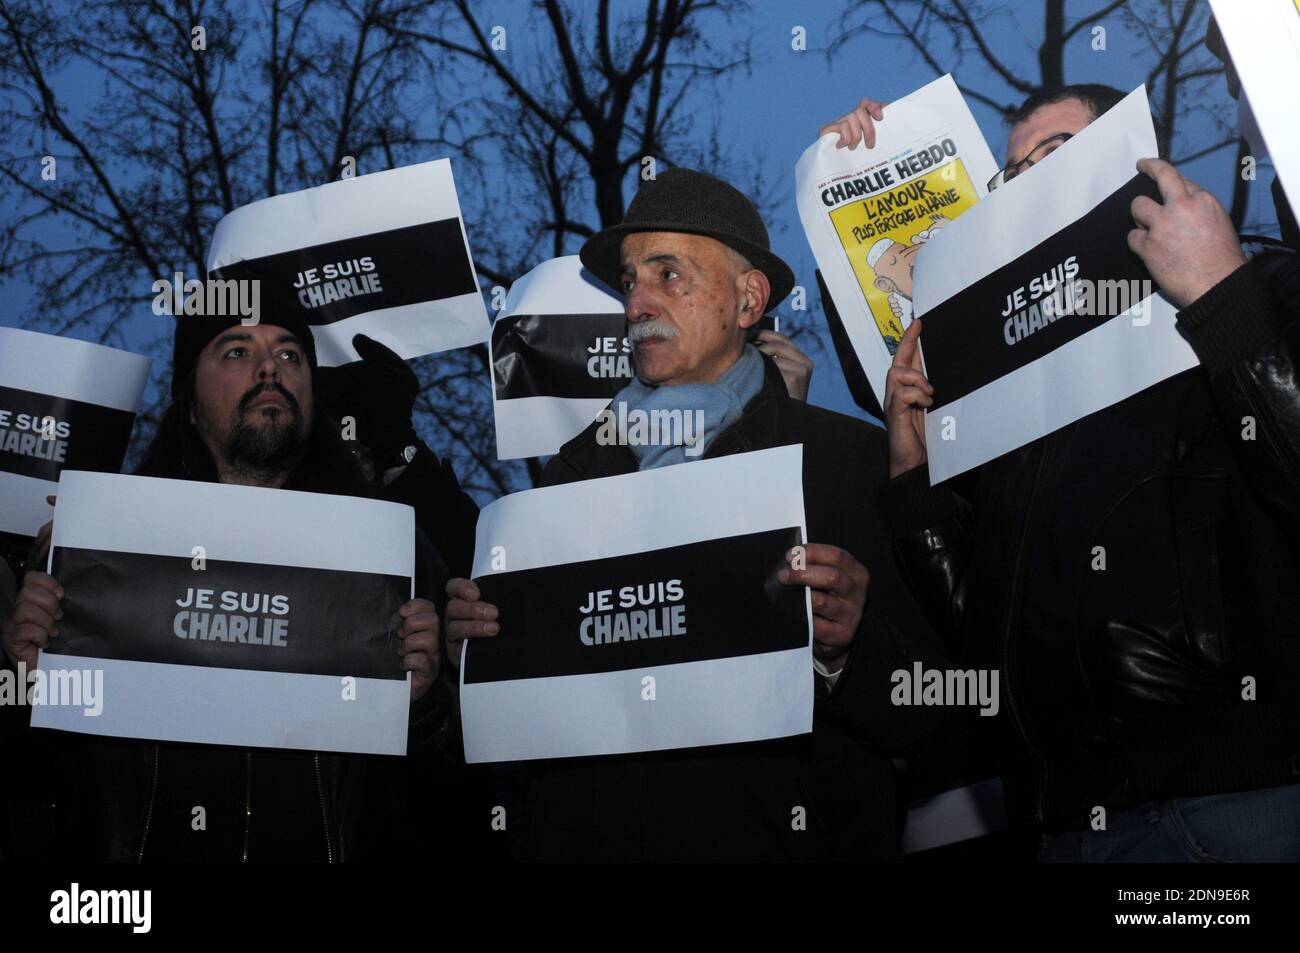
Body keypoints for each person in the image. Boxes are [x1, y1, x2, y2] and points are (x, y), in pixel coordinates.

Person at [825, 85, 1300, 861]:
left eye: (1057, 156)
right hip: (1066, 821)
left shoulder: (1256, 286)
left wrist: (1226, 299)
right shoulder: (1011, 400)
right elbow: (984, 637)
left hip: (1238, 803)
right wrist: (917, 486)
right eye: (1014, 176)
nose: (1033, 185)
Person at [445, 168, 950, 861]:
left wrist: (848, 652)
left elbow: (934, 715)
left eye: (668, 275)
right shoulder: (566, 482)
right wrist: (479, 657)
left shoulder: (844, 462)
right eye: (629, 281)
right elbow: (525, 742)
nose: (636, 305)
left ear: (748, 300)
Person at [1, 311, 456, 861]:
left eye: (291, 355)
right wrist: (28, 689)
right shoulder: (92, 555)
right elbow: (42, 793)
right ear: (190, 403)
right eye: (237, 352)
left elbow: (459, 810)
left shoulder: (397, 557)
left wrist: (426, 709)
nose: (270, 369)